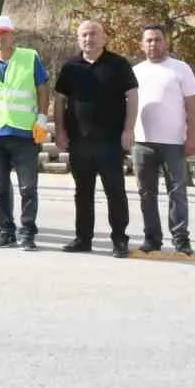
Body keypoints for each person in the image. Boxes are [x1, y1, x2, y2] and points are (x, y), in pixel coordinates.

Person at [54, 19, 139, 258]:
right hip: (79, 142)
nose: (88, 39)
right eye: (83, 35)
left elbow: (132, 97)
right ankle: (83, 238)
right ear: (78, 39)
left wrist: (129, 129)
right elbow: (60, 101)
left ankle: (120, 240)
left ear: (104, 38)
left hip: (111, 142)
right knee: (83, 192)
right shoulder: (71, 67)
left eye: (93, 34)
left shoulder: (118, 64)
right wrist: (60, 131)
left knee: (115, 191)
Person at [0, 15, 51, 250]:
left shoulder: (29, 58)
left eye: (5, 32)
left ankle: (27, 232)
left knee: (28, 187)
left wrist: (41, 117)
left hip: (24, 133)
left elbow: (42, 88)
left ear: (12, 35)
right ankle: (5, 231)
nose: (1, 37)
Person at [131, 25, 195, 256]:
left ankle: (181, 240)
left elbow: (193, 106)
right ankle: (152, 239)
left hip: (173, 143)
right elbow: (128, 106)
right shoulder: (136, 71)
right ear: (142, 45)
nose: (153, 44)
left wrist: (191, 138)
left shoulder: (180, 69)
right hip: (142, 142)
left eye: (158, 39)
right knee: (146, 193)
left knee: (177, 191)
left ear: (166, 42)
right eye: (148, 40)